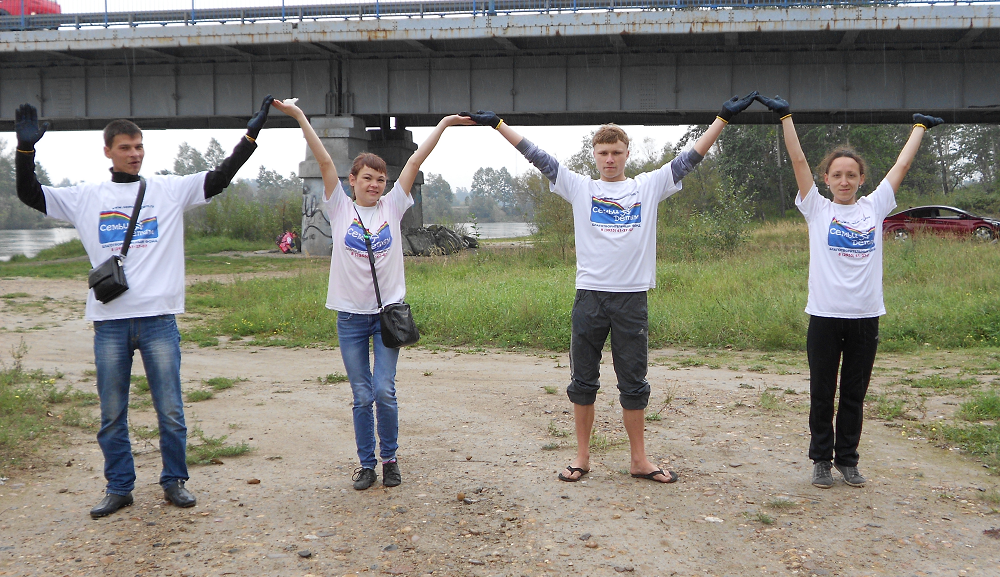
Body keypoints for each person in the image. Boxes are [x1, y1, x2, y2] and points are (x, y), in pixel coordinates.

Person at [459, 94, 759, 484]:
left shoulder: (647, 186)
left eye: (616, 152)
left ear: (627, 154)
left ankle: (639, 460)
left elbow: (690, 158)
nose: (610, 159)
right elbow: (538, 157)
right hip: (590, 297)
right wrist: (499, 125)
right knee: (583, 381)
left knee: (633, 382)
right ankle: (582, 458)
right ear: (594, 155)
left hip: (632, 298)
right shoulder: (580, 187)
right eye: (603, 153)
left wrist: (721, 119)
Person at [14, 96, 274, 518]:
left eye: (139, 147)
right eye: (125, 147)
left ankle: (175, 481)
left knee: (170, 410)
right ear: (108, 151)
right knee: (112, 413)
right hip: (110, 323)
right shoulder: (86, 197)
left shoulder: (168, 190)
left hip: (158, 321)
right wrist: (25, 151)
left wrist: (250, 136)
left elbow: (220, 177)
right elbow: (30, 193)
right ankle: (119, 487)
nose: (134, 154)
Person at [272, 99, 465, 490]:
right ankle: (366, 465)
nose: (375, 184)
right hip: (350, 317)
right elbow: (324, 160)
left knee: (383, 391)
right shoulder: (339, 208)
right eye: (368, 178)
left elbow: (414, 161)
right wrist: (300, 116)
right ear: (352, 180)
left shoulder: (393, 207)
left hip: (387, 316)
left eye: (380, 179)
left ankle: (390, 459)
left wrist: (444, 123)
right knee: (361, 395)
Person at [757, 94, 944, 488]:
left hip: (864, 317)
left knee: (854, 394)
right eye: (837, 175)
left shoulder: (874, 207)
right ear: (826, 179)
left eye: (851, 175)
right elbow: (798, 161)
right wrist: (786, 117)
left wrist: (919, 127)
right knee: (822, 393)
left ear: (862, 179)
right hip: (825, 316)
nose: (844, 181)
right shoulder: (817, 209)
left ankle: (848, 460)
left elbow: (901, 165)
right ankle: (821, 461)